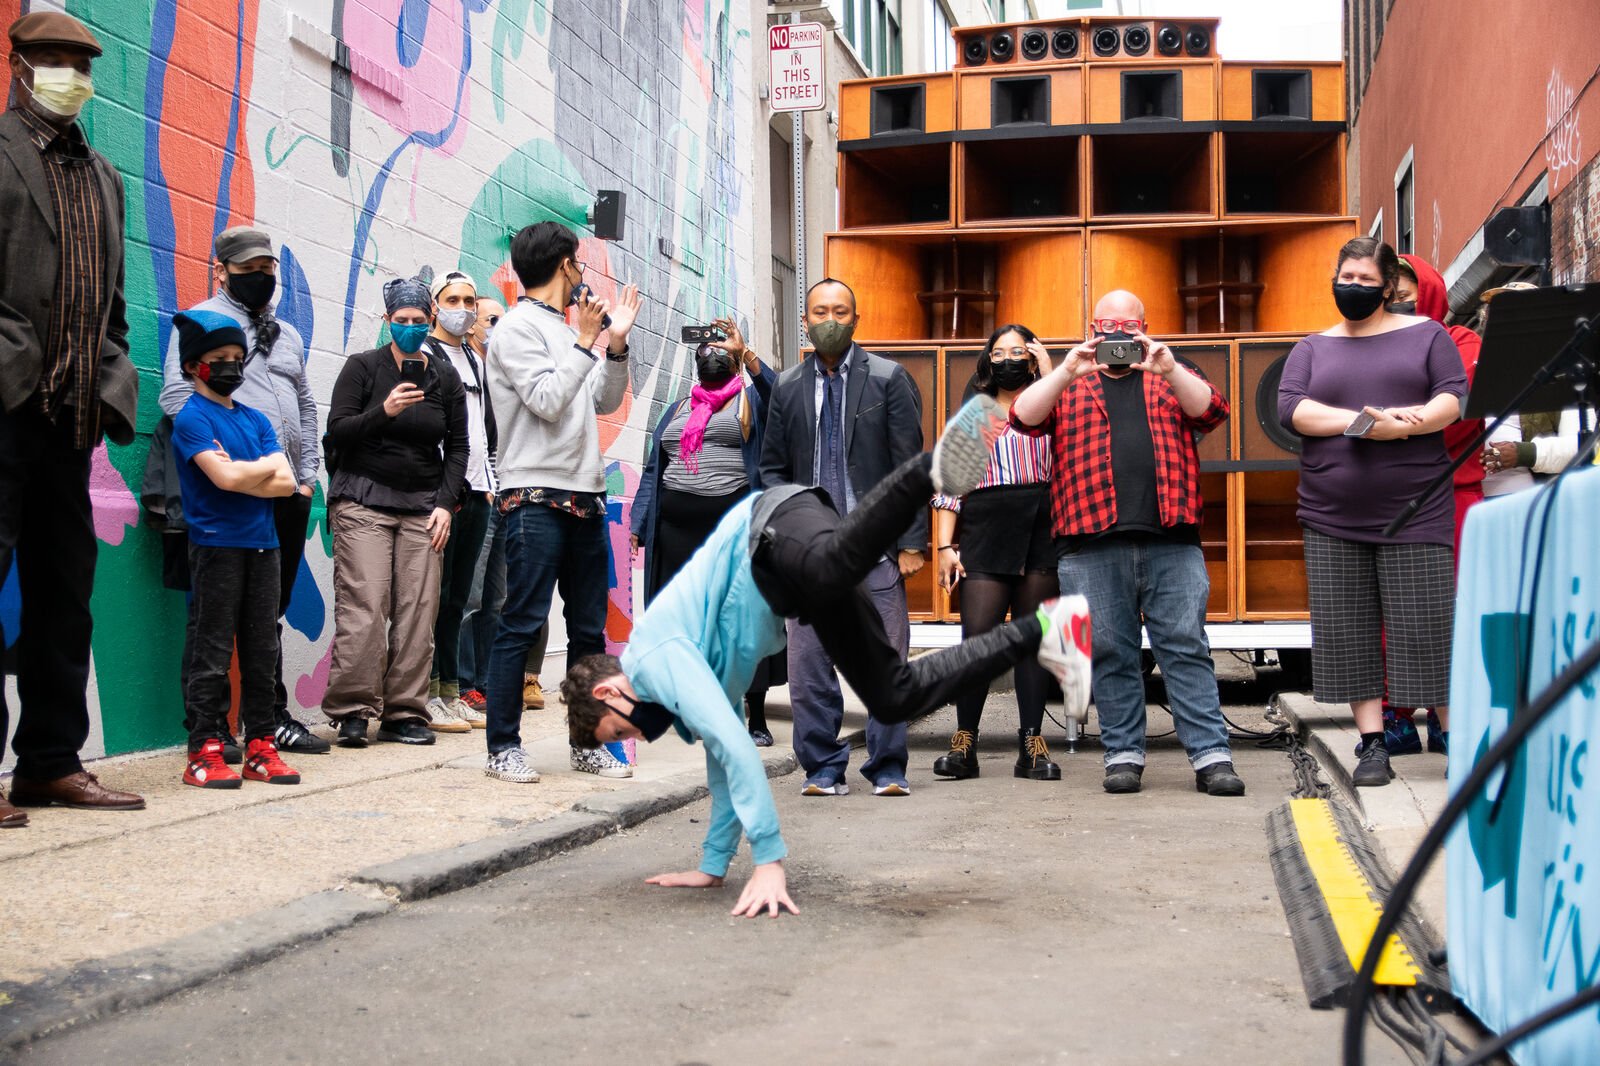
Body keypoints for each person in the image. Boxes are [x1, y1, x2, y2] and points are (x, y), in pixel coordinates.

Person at [563, 396, 1091, 917]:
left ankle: (937, 466)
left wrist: (768, 860)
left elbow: (737, 748)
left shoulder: (656, 660)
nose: (634, 740)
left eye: (618, 732)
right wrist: (713, 864)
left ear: (608, 692)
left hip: (769, 531)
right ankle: (1048, 628)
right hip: (795, 584)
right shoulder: (678, 685)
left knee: (830, 567)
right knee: (893, 696)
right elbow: (723, 765)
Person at [1013, 290, 1247, 797]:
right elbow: (1023, 417)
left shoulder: (1170, 373)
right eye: (1106, 323)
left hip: (1173, 538)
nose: (1117, 333)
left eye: (1127, 323)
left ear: (1144, 325)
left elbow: (1213, 411)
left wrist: (1167, 366)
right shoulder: (1071, 382)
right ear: (1092, 327)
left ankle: (1212, 757)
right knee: (1111, 652)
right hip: (1089, 542)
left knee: (1186, 648)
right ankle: (1122, 755)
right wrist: (1066, 368)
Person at [1, 12, 146, 825]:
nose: (67, 75)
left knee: (66, 595)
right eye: (51, 60)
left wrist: (111, 384)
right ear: (19, 65)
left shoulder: (106, 177)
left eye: (78, 64)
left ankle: (51, 764)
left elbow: (114, 309)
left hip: (72, 417)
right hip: (6, 405)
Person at [1277, 236, 1466, 788]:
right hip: (1330, 513)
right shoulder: (1313, 347)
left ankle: (1455, 739)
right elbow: (1293, 410)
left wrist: (1407, 422)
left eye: (1364, 280)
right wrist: (1362, 421)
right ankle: (1372, 742)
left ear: (1387, 286)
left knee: (1428, 627)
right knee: (1348, 630)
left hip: (1415, 510)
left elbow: (1451, 399)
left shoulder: (1428, 336)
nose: (1352, 288)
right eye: (1346, 277)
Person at [159, 226, 329, 758]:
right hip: (229, 497)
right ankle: (207, 728)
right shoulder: (204, 325)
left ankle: (268, 720)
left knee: (266, 614)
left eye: (267, 269)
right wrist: (230, 464)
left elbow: (304, 403)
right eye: (249, 269)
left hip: (288, 491)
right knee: (211, 617)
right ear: (223, 269)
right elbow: (172, 394)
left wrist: (306, 477)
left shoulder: (287, 334)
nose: (260, 278)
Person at [481, 222, 642, 784]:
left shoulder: (574, 329)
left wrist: (614, 344)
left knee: (589, 632)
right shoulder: (516, 330)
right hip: (534, 498)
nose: (584, 275)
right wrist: (585, 341)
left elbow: (604, 397)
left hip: (588, 496)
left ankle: (587, 744)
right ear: (565, 265)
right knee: (520, 624)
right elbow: (547, 401)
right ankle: (503, 746)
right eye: (579, 263)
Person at [759, 279, 926, 797]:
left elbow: (910, 465)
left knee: (886, 660)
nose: (829, 319)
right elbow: (771, 472)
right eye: (819, 311)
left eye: (840, 310)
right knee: (808, 667)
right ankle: (822, 767)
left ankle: (888, 766)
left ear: (857, 318)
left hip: (874, 551)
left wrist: (913, 542)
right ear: (805, 320)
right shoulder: (785, 387)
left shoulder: (888, 379)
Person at [320, 277, 469, 746]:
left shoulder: (443, 376)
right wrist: (383, 410)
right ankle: (352, 710)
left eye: (418, 321)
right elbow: (337, 433)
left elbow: (461, 446)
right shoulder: (363, 368)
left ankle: (406, 711)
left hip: (423, 507)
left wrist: (446, 504)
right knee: (365, 608)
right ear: (387, 322)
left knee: (418, 611)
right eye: (401, 321)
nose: (410, 328)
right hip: (363, 501)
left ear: (430, 321)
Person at [630, 317, 782, 746]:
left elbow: (781, 397)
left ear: (732, 358)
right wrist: (641, 523)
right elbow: (653, 469)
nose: (712, 353)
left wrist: (747, 353)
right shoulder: (678, 408)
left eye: (722, 348)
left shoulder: (751, 400)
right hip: (675, 530)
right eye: (707, 347)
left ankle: (755, 717)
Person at [167, 311, 303, 788]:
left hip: (264, 547)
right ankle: (204, 749)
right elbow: (222, 478)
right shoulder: (191, 418)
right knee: (212, 649)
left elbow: (286, 484)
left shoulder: (256, 418)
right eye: (218, 360)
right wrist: (263, 467)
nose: (230, 366)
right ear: (192, 366)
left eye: (236, 358)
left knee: (263, 649)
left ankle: (261, 745)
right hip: (215, 548)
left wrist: (253, 471)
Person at [931, 324, 1061, 782]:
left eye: (1018, 352)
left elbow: (1072, 445)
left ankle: (1032, 743)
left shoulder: (1054, 409)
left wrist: (1049, 373)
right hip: (985, 525)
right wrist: (945, 546)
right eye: (999, 352)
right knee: (978, 641)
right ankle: (965, 743)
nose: (1008, 360)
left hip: (1041, 525)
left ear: (1032, 358)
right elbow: (950, 487)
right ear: (988, 361)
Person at [422, 271, 497, 733]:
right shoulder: (423, 356)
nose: (464, 307)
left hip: (478, 492)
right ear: (435, 305)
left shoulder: (474, 357)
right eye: (453, 299)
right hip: (441, 496)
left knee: (458, 601)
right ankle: (425, 691)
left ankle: (449, 689)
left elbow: (485, 426)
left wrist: (489, 480)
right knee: (430, 598)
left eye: (470, 300)